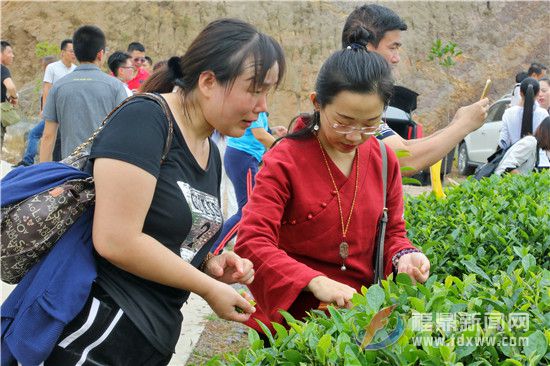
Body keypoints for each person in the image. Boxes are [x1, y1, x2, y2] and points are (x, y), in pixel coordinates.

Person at [44, 18, 285, 365]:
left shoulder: (209, 150)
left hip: (149, 337)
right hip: (100, 329)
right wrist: (207, 288)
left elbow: (168, 238)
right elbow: (116, 239)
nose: (263, 105)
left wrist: (210, 264)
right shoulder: (145, 120)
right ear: (208, 81)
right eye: (255, 89)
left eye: (268, 92)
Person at [234, 33, 429, 333]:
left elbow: (392, 234)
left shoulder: (383, 160)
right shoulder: (285, 159)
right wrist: (314, 281)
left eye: (369, 124)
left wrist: (405, 255)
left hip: (358, 319)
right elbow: (252, 241)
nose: (354, 136)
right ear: (317, 103)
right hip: (291, 325)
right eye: (343, 122)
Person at [337, 4, 489, 175]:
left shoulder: (357, 88)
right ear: (368, 48)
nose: (396, 59)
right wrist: (464, 125)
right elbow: (403, 160)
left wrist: (456, 123)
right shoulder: (352, 94)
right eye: (392, 48)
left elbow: (403, 146)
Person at [40, 26, 128, 162]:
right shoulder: (115, 86)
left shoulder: (59, 86)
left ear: (76, 52)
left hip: (70, 169)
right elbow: (122, 132)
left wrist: (42, 172)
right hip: (104, 168)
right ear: (100, 54)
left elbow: (48, 136)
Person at [210, 112, 287, 254]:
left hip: (242, 157)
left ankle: (219, 248)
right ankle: (213, 250)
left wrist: (274, 130)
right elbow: (260, 135)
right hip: (244, 158)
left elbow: (258, 131)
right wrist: (286, 149)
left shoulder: (260, 110)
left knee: (248, 209)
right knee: (247, 211)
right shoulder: (256, 108)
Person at [14, 39, 77, 167]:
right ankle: (44, 168)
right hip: (54, 111)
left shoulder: (76, 70)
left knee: (62, 141)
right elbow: (46, 89)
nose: (74, 54)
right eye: (71, 51)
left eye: (75, 51)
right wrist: (46, 110)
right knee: (48, 137)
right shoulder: (52, 68)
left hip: (69, 113)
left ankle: (58, 167)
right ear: (62, 53)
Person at [499, 77, 549, 149]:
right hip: (538, 158)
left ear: (520, 93)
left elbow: (503, 143)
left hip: (515, 157)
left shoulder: (508, 113)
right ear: (538, 93)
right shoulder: (543, 114)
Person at [1, 40, 18, 145]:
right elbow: (10, 86)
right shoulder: (2, 69)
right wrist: (14, 97)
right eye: (9, 52)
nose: (13, 55)